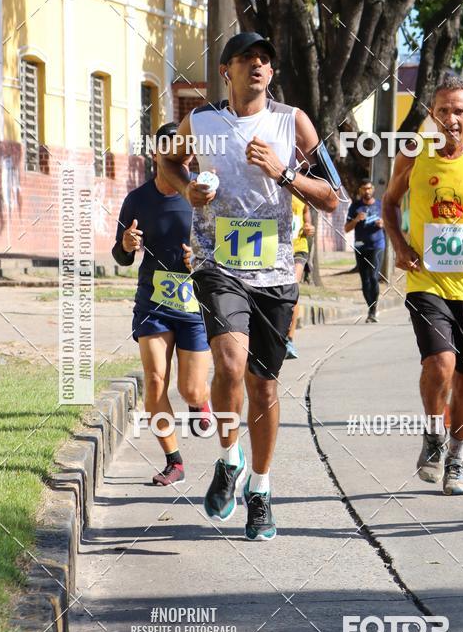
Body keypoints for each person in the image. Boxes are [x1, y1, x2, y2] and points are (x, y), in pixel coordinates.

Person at [157, 32, 340, 540]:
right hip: (219, 264)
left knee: (263, 384)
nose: (257, 65)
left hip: (277, 272)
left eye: (264, 58)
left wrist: (283, 175)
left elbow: (331, 195)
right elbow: (168, 163)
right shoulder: (201, 122)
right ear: (226, 71)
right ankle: (228, 457)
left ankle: (259, 489)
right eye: (246, 58)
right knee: (230, 363)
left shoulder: (292, 122)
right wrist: (186, 187)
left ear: (271, 72)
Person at [383, 75, 463, 495]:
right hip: (426, 279)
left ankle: (456, 457)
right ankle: (433, 435)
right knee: (441, 362)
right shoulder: (414, 154)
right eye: (443, 110)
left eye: (459, 110)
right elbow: (389, 203)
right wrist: (399, 244)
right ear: (432, 114)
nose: (451, 118)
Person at [112, 122, 213, 487]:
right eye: (172, 153)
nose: (181, 160)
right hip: (153, 304)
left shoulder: (204, 196)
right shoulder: (136, 200)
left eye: (186, 154)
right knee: (155, 382)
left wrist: (199, 261)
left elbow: (222, 251)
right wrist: (125, 244)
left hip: (195, 307)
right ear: (156, 155)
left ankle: (200, 402)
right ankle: (174, 461)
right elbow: (120, 257)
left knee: (191, 389)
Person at [345, 180, 386, 322]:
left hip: (377, 245)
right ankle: (371, 308)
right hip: (360, 246)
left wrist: (383, 224)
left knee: (374, 277)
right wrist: (356, 220)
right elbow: (346, 228)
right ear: (360, 190)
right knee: (365, 280)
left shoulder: (380, 205)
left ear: (373, 189)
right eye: (364, 189)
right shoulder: (355, 207)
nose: (367, 191)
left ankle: (373, 311)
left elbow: (391, 222)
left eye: (369, 188)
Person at [285, 195, 315, 359]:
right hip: (274, 248)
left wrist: (309, 227)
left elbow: (306, 213)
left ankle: (289, 339)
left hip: (298, 248)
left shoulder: (299, 186)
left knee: (291, 287)